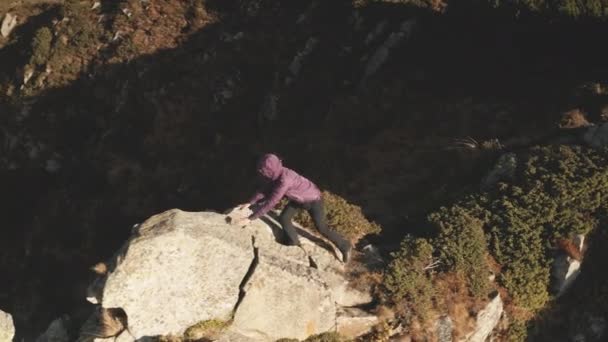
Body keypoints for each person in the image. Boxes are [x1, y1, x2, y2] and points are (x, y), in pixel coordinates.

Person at [233, 153, 352, 262]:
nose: (263, 174)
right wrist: (250, 202)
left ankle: (345, 246)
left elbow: (272, 201)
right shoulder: (278, 174)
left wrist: (250, 218)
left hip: (313, 200)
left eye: (264, 171)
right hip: (298, 199)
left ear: (270, 170)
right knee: (284, 218)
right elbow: (265, 189)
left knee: (322, 228)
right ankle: (293, 241)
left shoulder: (284, 180)